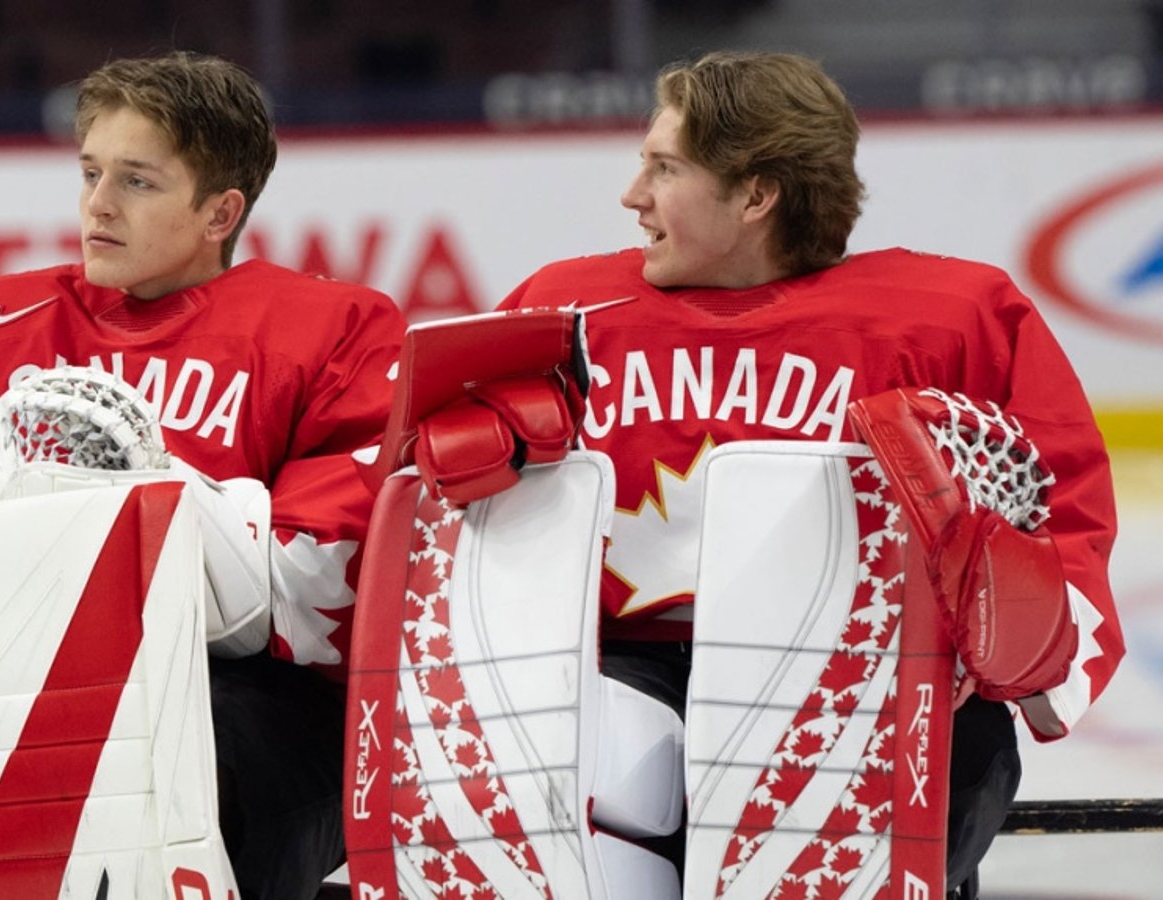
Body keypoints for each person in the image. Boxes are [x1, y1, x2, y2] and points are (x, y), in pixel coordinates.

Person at [476, 51, 1122, 898]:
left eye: (664, 168)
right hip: (625, 674)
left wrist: (1020, 642)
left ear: (755, 194)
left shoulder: (952, 320)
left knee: (949, 747)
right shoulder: (564, 314)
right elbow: (450, 535)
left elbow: (1061, 515)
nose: (632, 196)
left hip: (870, 675)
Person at [0, 51, 405, 898]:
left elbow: (318, 583)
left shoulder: (334, 331)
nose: (98, 205)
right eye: (90, 173)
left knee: (181, 768)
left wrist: (79, 510)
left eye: (138, 182)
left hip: (236, 703)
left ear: (220, 212)